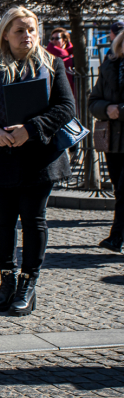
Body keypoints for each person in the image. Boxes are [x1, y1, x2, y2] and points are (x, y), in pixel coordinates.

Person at [0, 7, 74, 316]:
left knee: (33, 219)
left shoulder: (52, 64)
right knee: (2, 222)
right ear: (5, 35)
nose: (26, 35)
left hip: (38, 158)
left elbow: (66, 107)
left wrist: (31, 129)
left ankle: (28, 283)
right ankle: (7, 281)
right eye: (19, 30)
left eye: (31, 29)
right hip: (0, 156)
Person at [89, 28, 124, 254]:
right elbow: (93, 101)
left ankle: (116, 237)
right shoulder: (109, 66)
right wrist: (107, 109)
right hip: (114, 141)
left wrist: (120, 110)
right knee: (119, 191)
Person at [46, 27, 75, 94]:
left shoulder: (72, 55)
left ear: (64, 40)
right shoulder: (48, 55)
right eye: (52, 38)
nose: (54, 41)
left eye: (57, 38)